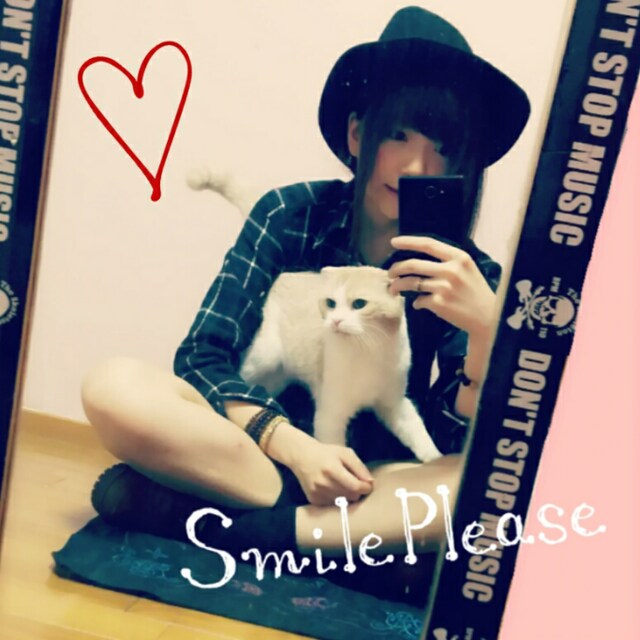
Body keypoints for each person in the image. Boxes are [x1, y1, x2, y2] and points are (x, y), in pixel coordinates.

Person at [82, 7, 529, 601]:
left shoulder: (468, 275)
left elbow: (454, 437)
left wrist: (486, 330)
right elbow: (202, 357)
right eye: (398, 135)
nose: (416, 166)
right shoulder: (290, 215)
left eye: (442, 149)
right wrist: (296, 448)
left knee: (490, 481)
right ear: (357, 135)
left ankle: (221, 525)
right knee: (113, 387)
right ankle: (350, 549)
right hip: (257, 452)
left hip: (377, 480)